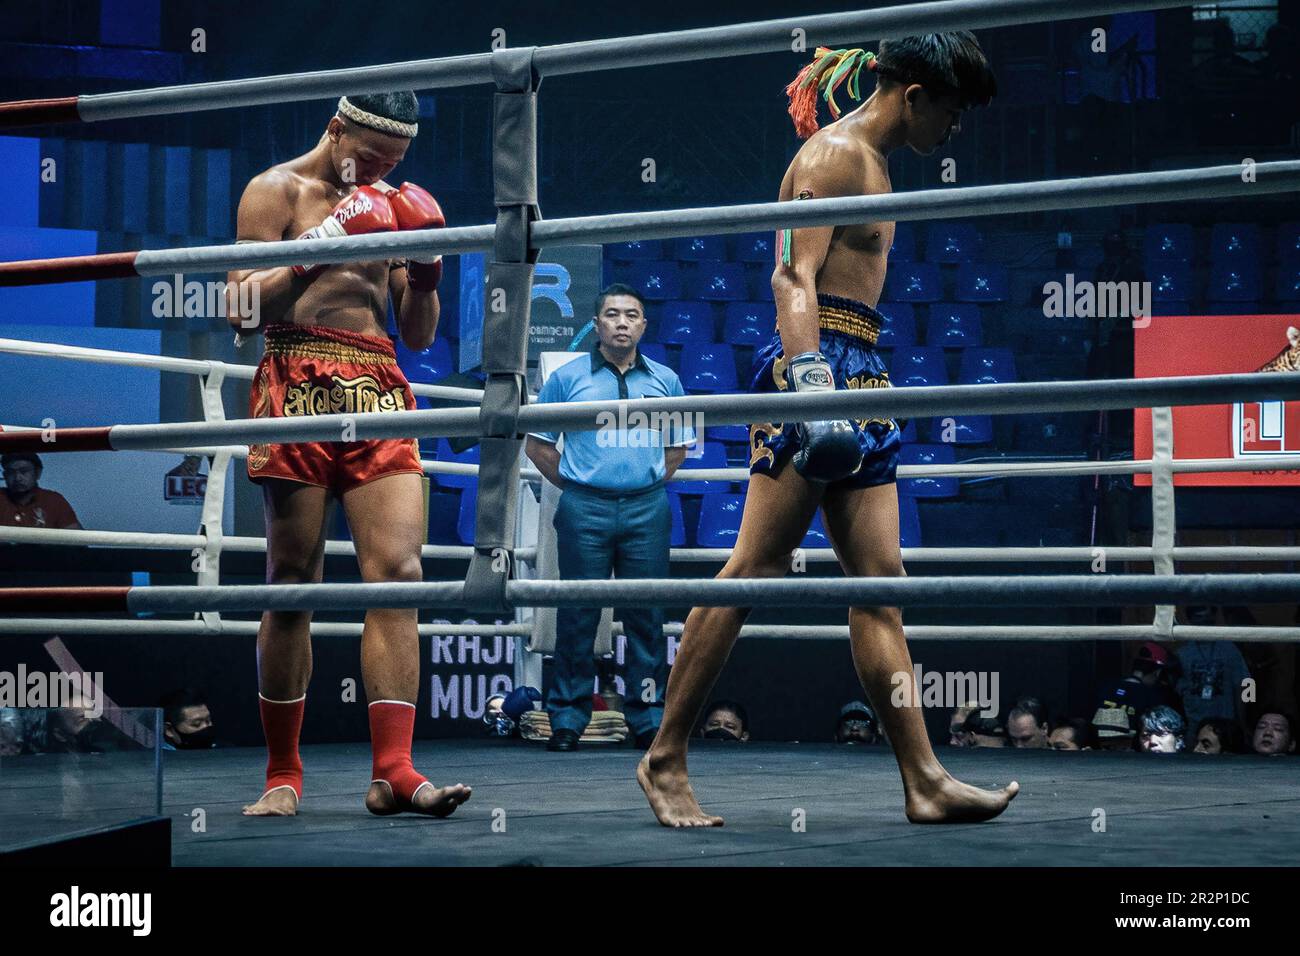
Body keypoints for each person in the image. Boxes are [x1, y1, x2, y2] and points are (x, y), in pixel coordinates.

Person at [638, 33, 1015, 827]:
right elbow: (791, 274)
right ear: (915, 96)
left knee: (879, 587)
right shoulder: (833, 156)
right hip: (814, 367)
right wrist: (813, 389)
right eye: (950, 110)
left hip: (867, 367)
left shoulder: (876, 166)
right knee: (755, 566)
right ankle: (664, 757)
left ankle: (924, 779)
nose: (954, 129)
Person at [226, 91, 469, 818]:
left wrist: (425, 271)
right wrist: (321, 244)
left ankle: (393, 769)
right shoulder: (274, 191)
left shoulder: (390, 202)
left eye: (395, 163)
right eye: (369, 156)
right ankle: (282, 774)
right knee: (292, 581)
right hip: (295, 377)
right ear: (336, 131)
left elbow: (418, 334)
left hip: (379, 384)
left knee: (398, 575)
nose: (380, 173)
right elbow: (238, 312)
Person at [525, 284, 694, 752]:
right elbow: (537, 444)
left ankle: (647, 718)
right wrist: (581, 486)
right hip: (584, 508)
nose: (622, 322)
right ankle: (567, 718)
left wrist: (645, 481)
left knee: (646, 617)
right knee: (578, 614)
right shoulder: (567, 378)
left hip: (647, 507)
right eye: (613, 314)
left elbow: (679, 447)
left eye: (631, 315)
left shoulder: (667, 380)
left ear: (643, 325)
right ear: (597, 324)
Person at [1174, 606, 1251, 748]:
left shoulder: (1229, 649)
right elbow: (1177, 693)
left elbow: (1247, 684)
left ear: (1214, 619)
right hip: (1194, 726)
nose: (1204, 624)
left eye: (1208, 619)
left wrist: (1244, 721)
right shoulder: (1182, 654)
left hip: (1226, 724)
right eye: (1199, 619)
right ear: (1190, 621)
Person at [0, 452, 82, 529]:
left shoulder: (54, 501)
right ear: (5, 475)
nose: (18, 478)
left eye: (24, 471)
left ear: (37, 473)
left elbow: (77, 539)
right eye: (11, 472)